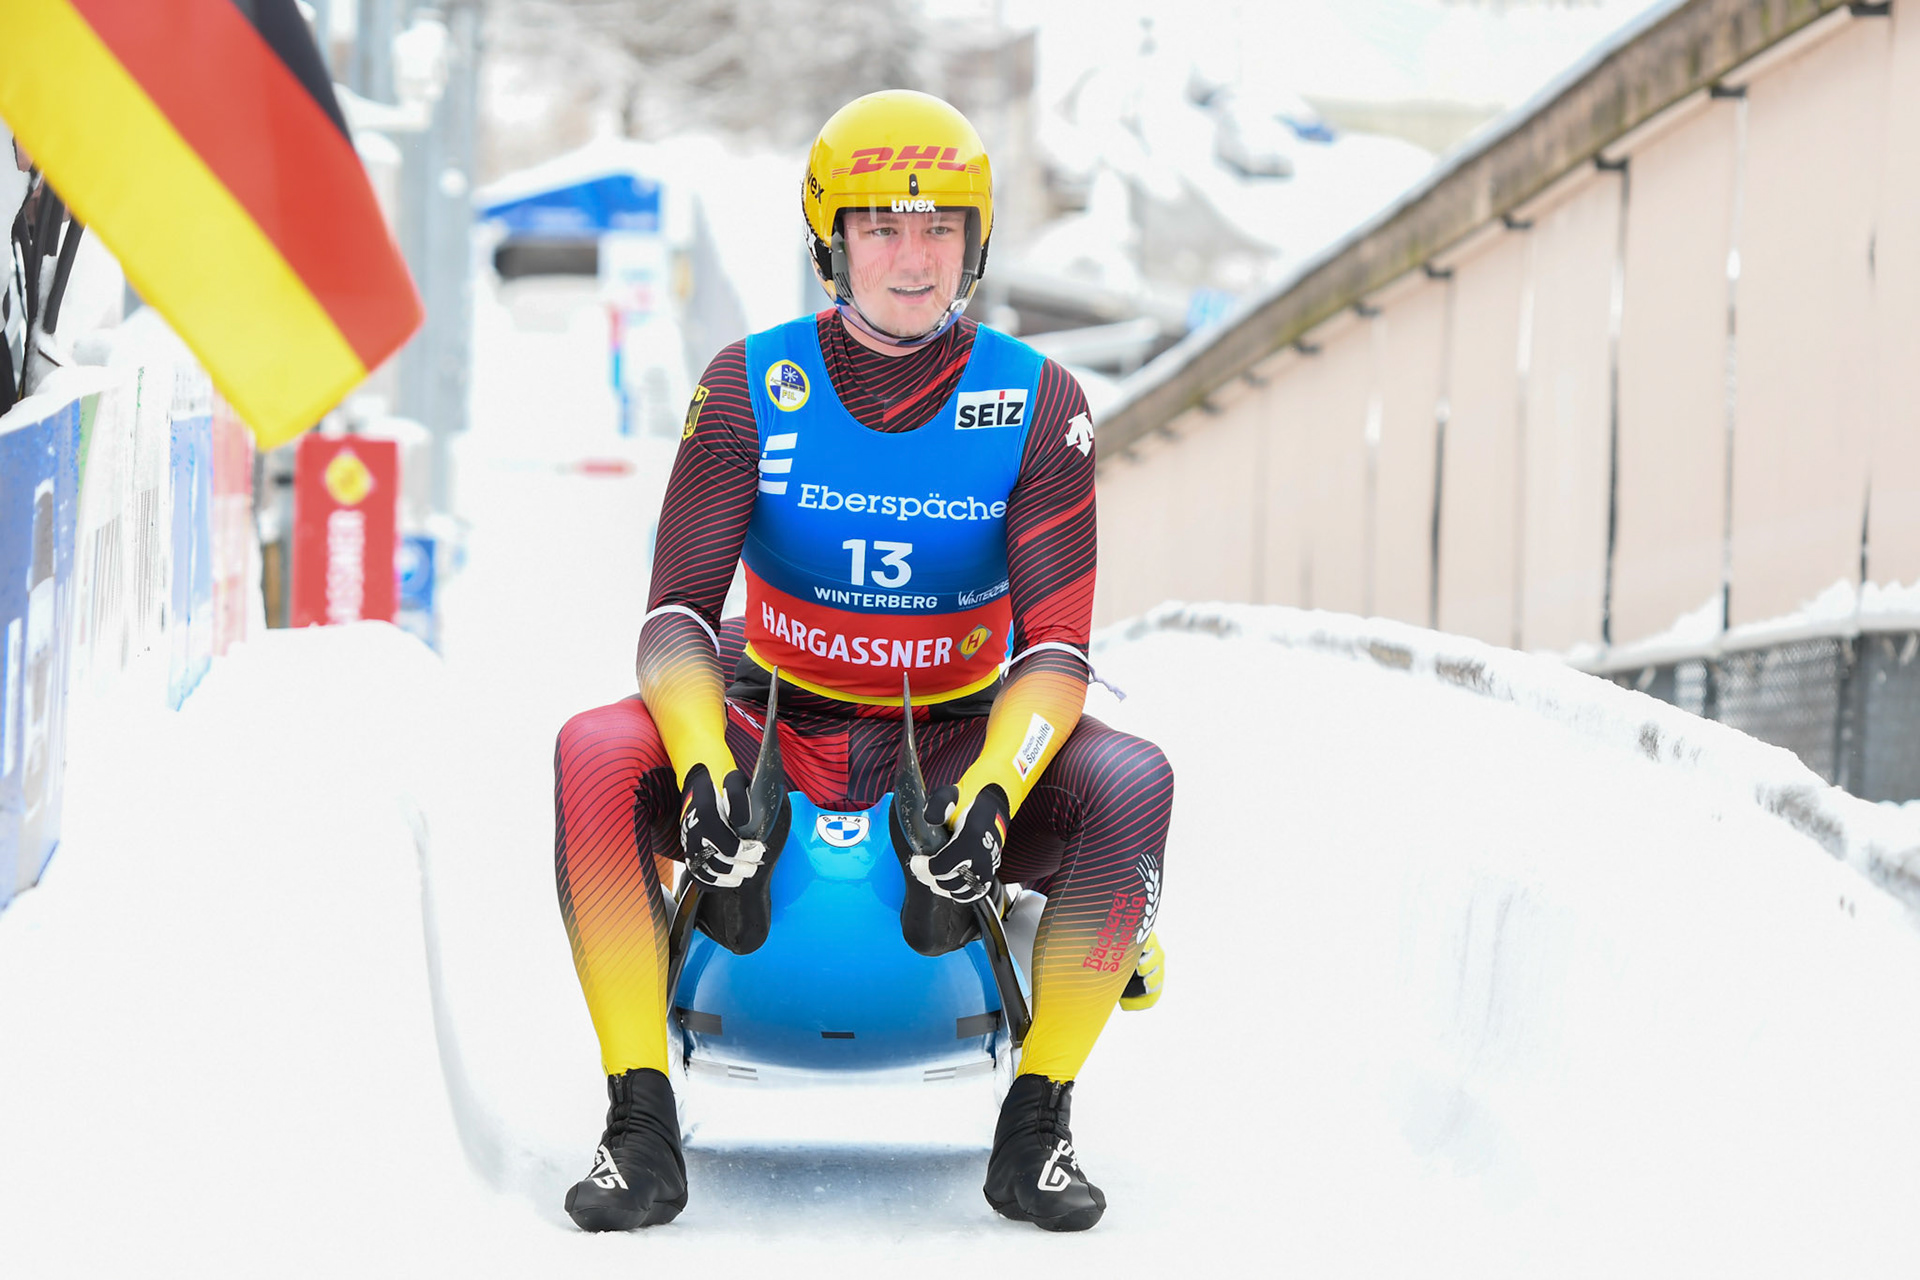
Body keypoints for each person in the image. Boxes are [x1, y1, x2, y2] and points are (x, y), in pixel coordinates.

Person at [552, 89, 1174, 1234]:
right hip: (773, 715)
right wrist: (699, 766)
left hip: (954, 725)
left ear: (975, 244)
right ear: (831, 243)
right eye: (881, 225)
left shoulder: (1039, 403)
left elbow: (1055, 646)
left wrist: (993, 795)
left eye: (941, 226)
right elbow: (677, 618)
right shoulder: (749, 382)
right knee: (593, 749)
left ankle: (1037, 1124)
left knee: (1135, 779)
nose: (912, 254)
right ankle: (638, 1122)